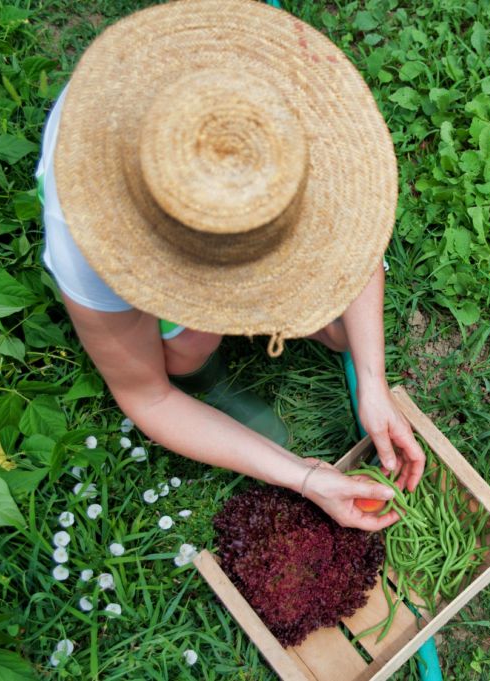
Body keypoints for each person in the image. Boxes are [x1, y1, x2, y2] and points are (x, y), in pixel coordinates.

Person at [36, 0, 425, 531]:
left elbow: (352, 242)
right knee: (186, 346)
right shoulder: (87, 240)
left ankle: (314, 327)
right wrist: (302, 476)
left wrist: (375, 383)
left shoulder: (288, 113)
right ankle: (210, 377)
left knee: (335, 321)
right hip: (134, 239)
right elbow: (146, 395)